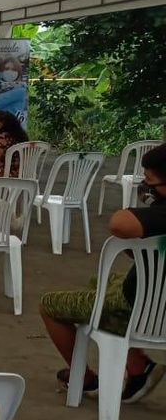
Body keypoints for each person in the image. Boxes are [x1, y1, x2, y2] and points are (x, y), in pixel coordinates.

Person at [40, 142, 166, 403]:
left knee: (49, 305)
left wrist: (154, 209)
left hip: (142, 305)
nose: (145, 185)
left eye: (150, 181)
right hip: (150, 295)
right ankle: (137, 366)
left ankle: (85, 378)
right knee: (102, 281)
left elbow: (120, 224)